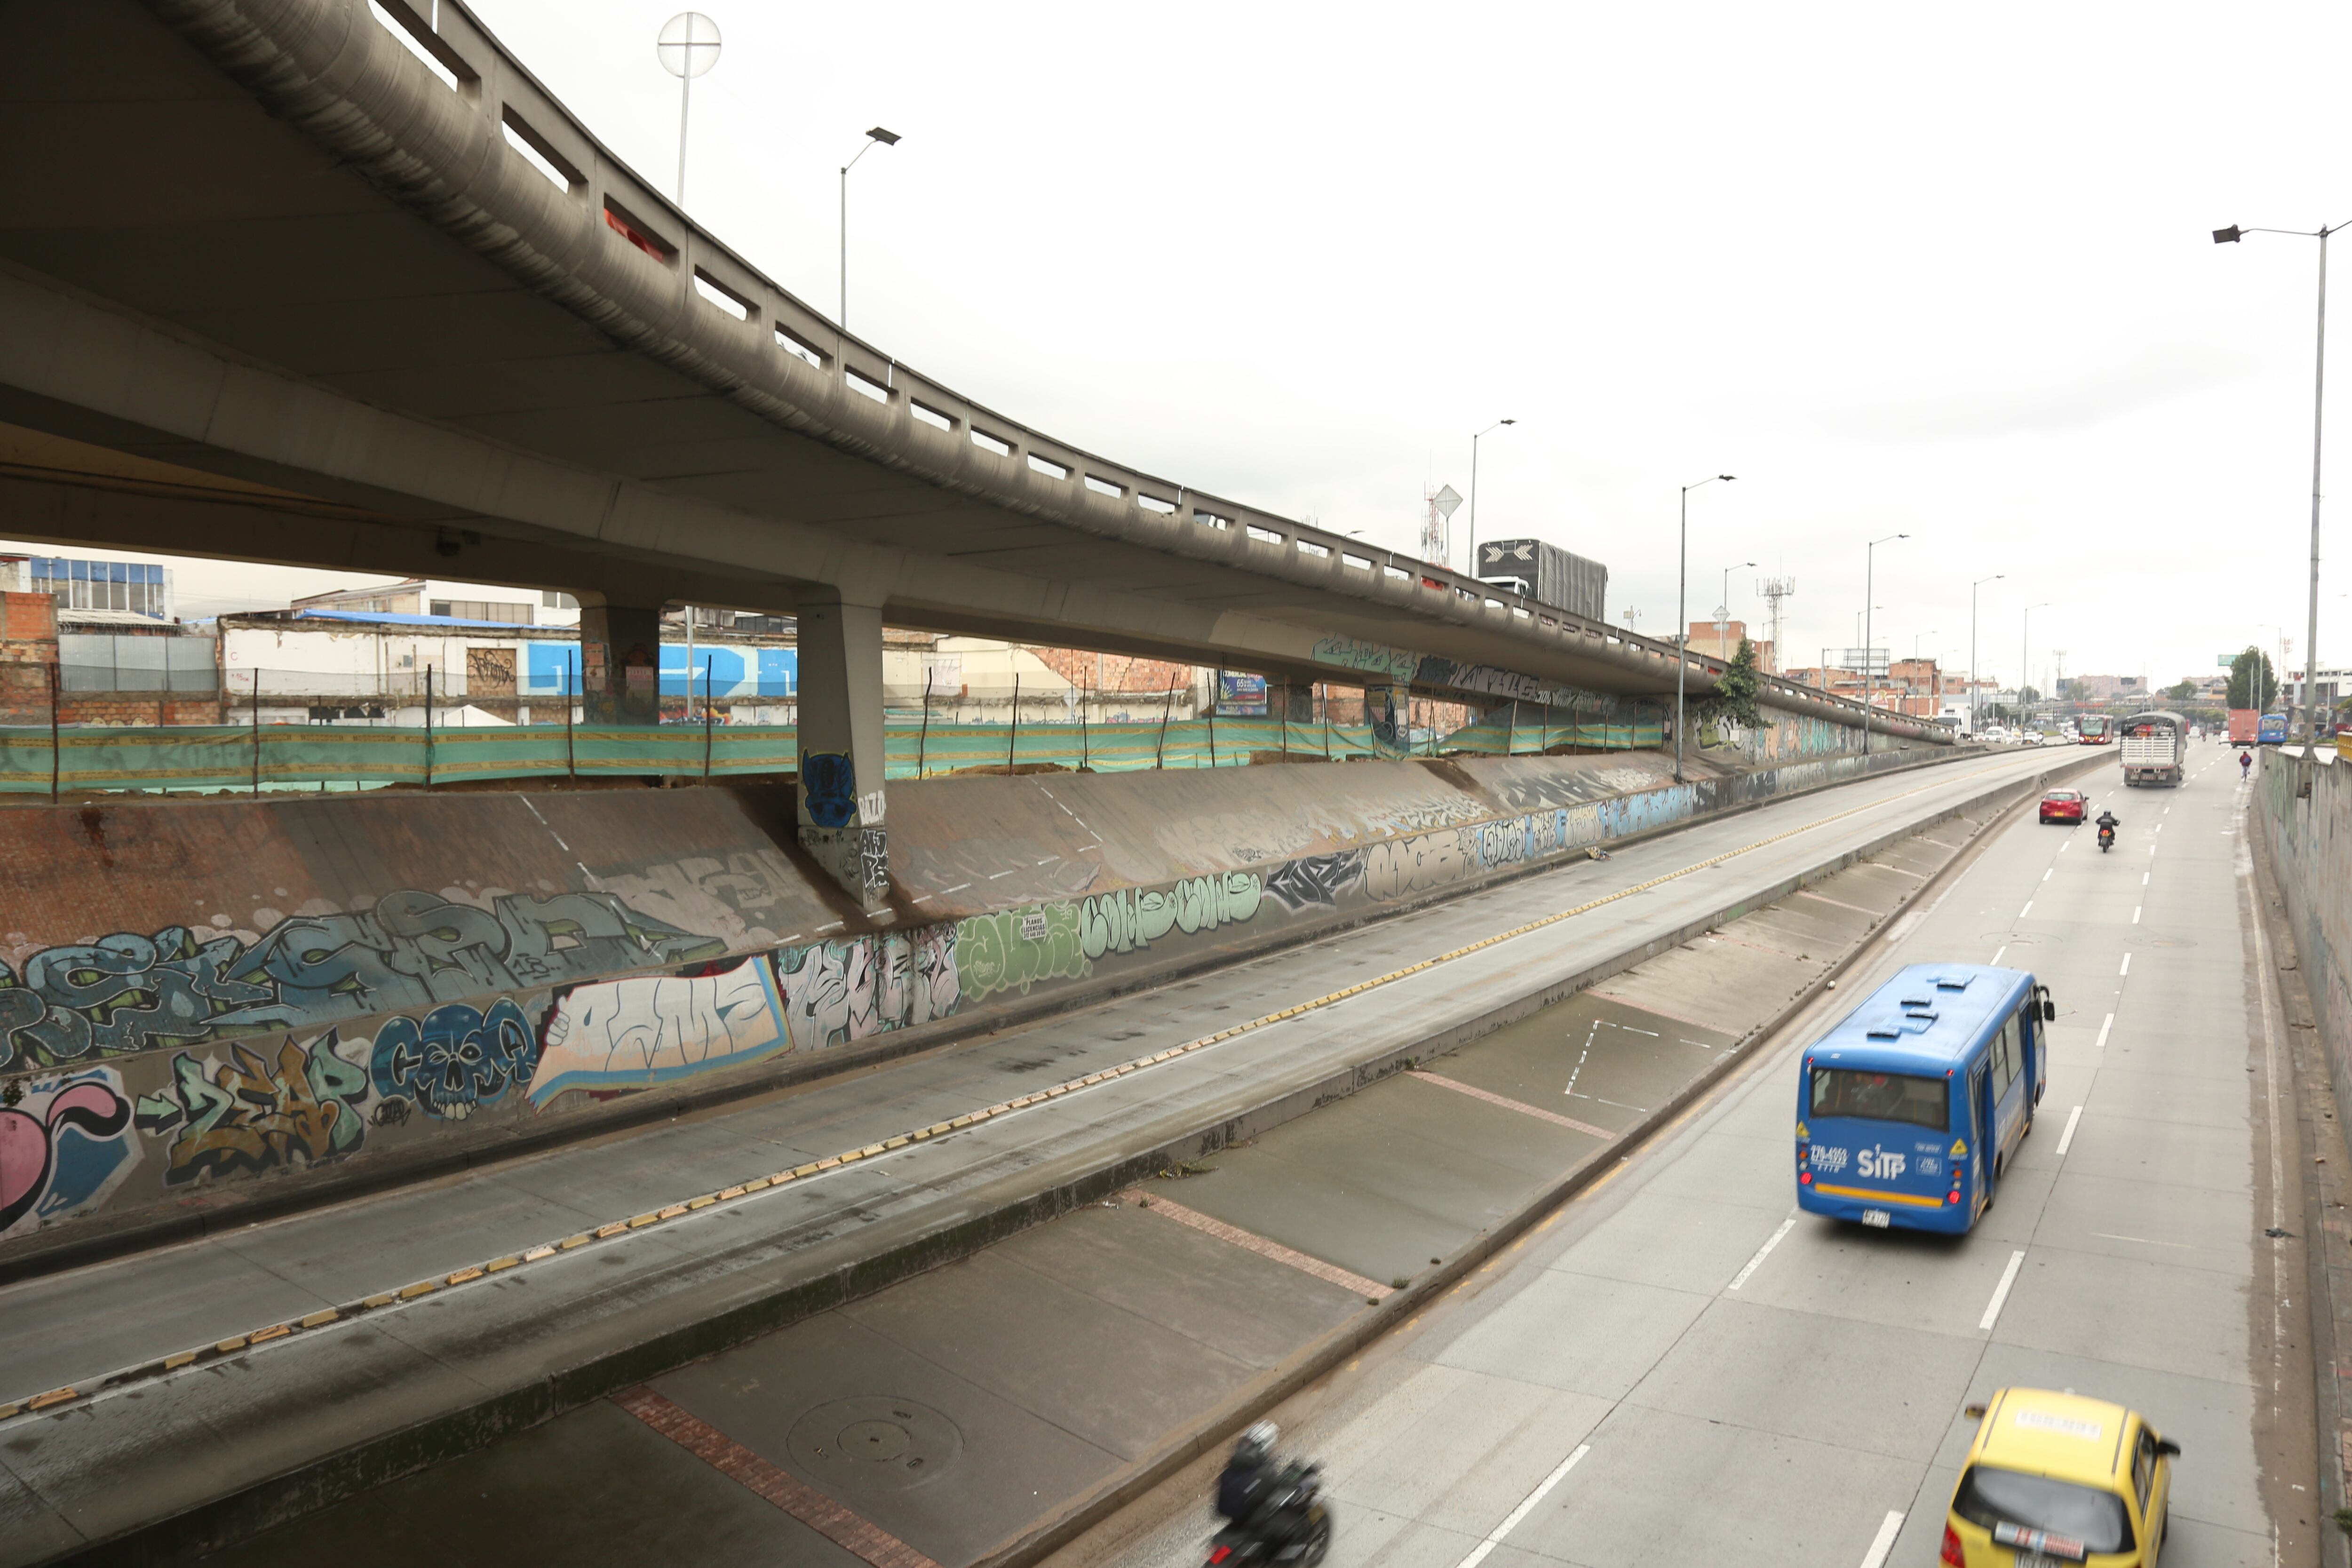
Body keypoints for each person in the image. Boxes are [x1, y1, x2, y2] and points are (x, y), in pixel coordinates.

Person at [1216, 1422, 1279, 1526]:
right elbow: (1276, 1485)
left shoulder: (1233, 1467)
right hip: (1257, 1524)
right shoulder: (1265, 1471)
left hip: (1236, 1521)